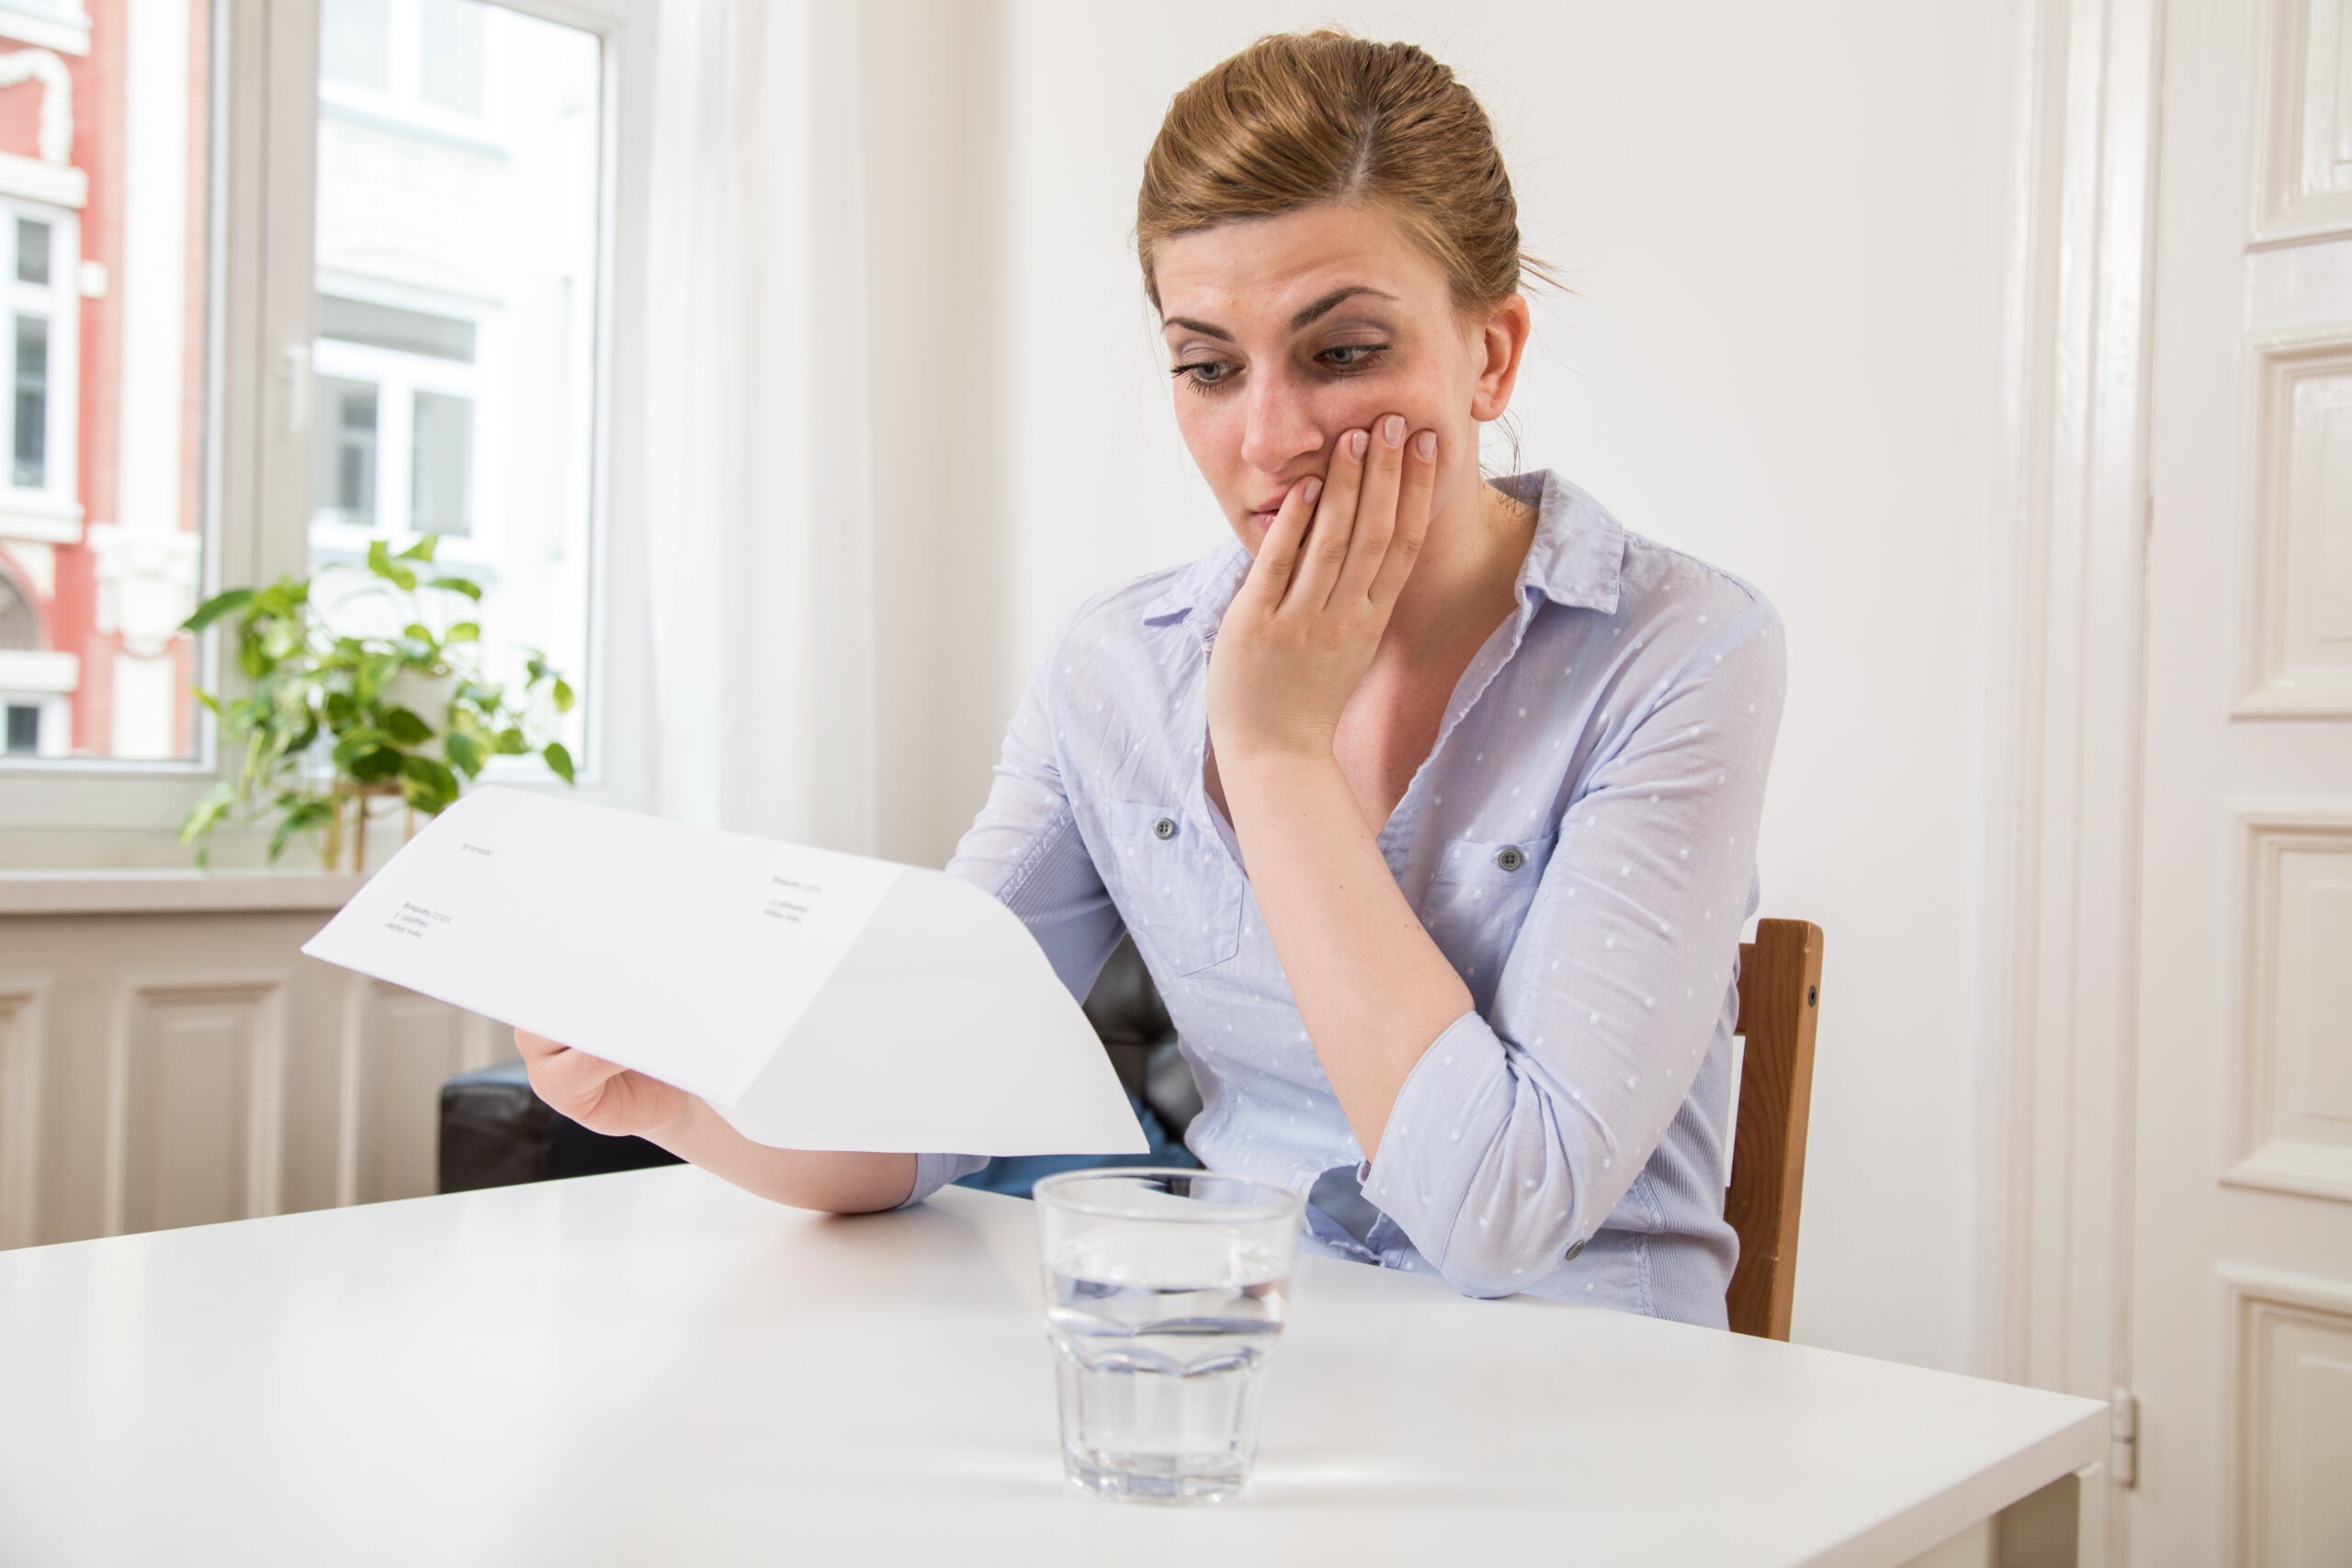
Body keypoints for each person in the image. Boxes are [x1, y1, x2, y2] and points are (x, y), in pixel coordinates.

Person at [516, 30, 1783, 1329]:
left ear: (1490, 356)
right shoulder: (1117, 670)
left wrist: (1276, 751)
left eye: (1342, 354)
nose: (1271, 439)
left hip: (1600, 1414)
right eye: (1209, 366)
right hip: (1256, 1375)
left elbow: (1503, 1220)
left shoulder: (1678, 647)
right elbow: (929, 1085)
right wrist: (663, 1096)